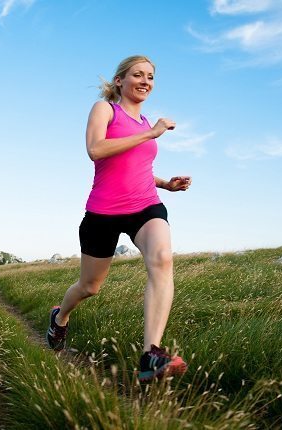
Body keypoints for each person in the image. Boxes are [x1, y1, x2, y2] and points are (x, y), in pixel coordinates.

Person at [46, 55, 191, 382]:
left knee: (163, 259)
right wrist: (151, 135)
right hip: (103, 212)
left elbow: (138, 168)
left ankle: (151, 355)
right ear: (120, 82)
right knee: (89, 286)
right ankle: (60, 317)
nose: (145, 81)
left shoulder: (145, 125)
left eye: (151, 77)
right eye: (138, 75)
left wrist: (166, 184)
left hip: (145, 205)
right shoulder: (105, 110)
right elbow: (97, 150)